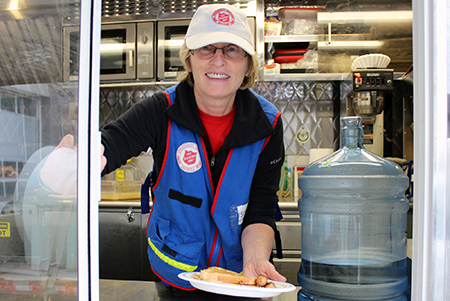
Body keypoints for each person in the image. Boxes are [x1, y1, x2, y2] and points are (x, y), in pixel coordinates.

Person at [45, 3, 286, 290]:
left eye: (232, 49)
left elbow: (261, 207)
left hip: (238, 278)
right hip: (176, 274)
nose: (218, 60)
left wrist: (255, 261)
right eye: (207, 48)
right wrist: (74, 165)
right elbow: (111, 144)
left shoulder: (268, 124)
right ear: (189, 60)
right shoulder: (160, 111)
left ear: (248, 65)